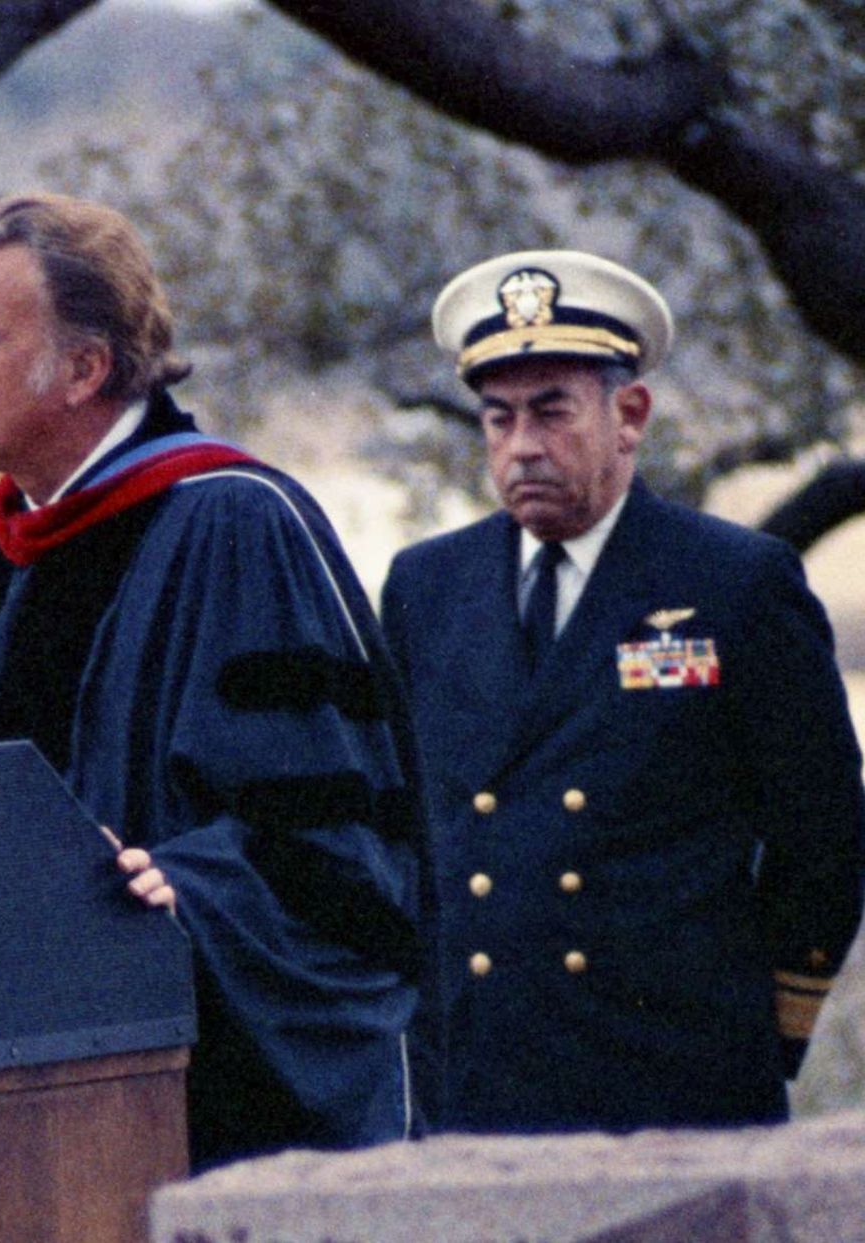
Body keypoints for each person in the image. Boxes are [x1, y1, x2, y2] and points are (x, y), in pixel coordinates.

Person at [0, 192, 433, 1168]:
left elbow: (342, 855)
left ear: (84, 368)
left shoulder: (233, 526)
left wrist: (195, 886)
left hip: (195, 1119)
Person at [380, 250, 865, 1133]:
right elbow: (403, 832)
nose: (522, 445)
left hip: (676, 1078)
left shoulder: (733, 581)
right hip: (479, 1084)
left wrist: (764, 1029)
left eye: (552, 412)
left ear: (629, 414)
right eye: (499, 418)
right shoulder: (427, 588)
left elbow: (824, 833)